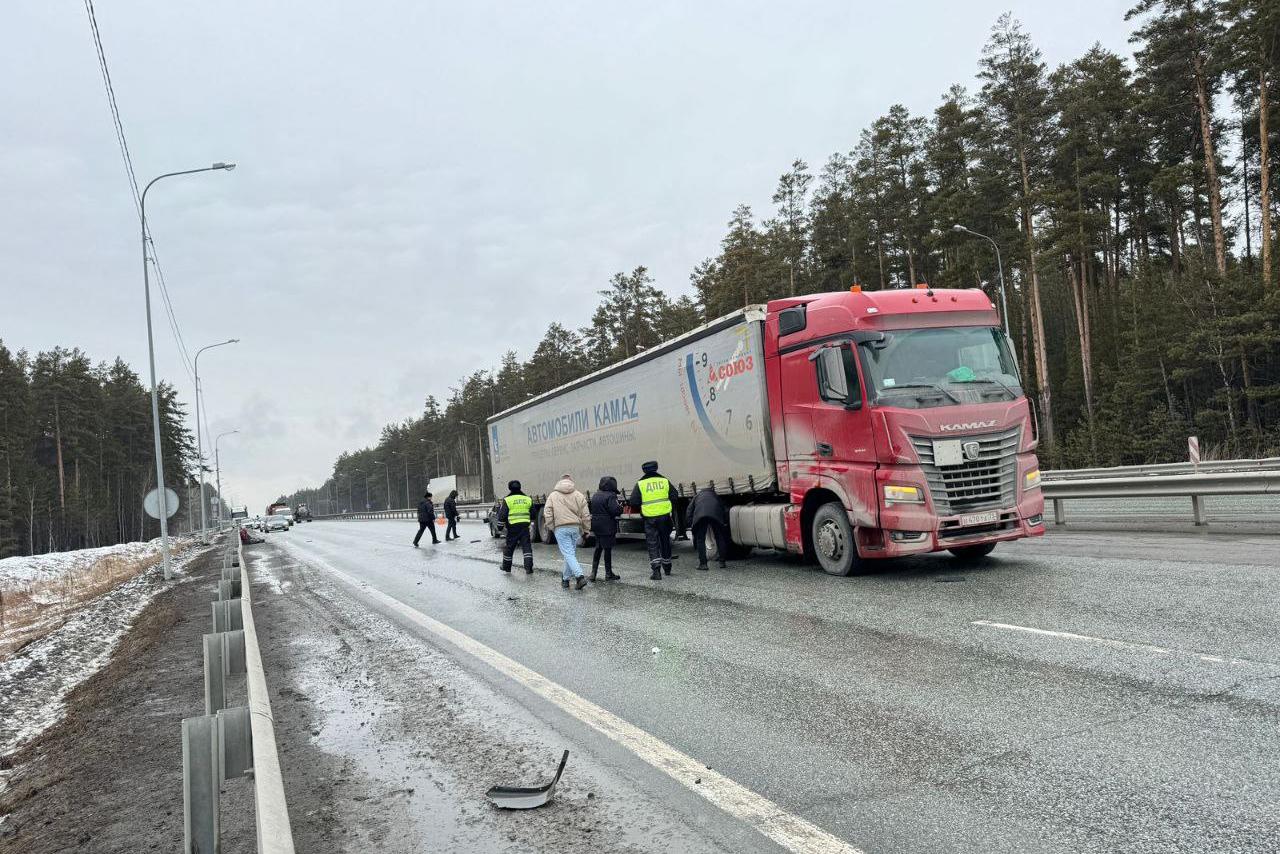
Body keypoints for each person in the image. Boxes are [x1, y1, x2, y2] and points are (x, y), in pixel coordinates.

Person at [543, 474, 591, 590]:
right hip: (575, 527)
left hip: (560, 528)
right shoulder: (579, 495)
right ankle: (565, 579)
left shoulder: (553, 495)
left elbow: (547, 512)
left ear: (560, 482)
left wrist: (552, 526)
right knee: (570, 554)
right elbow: (585, 515)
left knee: (568, 554)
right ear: (571, 482)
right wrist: (586, 529)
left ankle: (579, 577)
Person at [630, 459, 675, 580]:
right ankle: (667, 567)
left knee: (652, 543)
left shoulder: (640, 484)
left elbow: (633, 501)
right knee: (665, 541)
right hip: (665, 517)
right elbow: (674, 495)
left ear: (644, 470)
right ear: (656, 468)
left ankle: (656, 572)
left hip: (649, 518)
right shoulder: (664, 481)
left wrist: (643, 507)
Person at [588, 476, 623, 582]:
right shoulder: (611, 496)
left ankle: (593, 573)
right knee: (607, 549)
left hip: (596, 525)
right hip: (607, 525)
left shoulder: (595, 495)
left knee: (598, 548)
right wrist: (620, 508)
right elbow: (614, 510)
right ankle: (608, 574)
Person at [498, 480, 535, 574]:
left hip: (512, 528)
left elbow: (502, 514)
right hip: (524, 527)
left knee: (509, 548)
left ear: (509, 488)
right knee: (527, 547)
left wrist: (500, 526)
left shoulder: (507, 500)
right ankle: (529, 568)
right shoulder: (527, 499)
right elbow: (533, 514)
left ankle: (506, 567)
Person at [689, 487, 729, 571]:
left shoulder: (697, 496)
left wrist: (691, 524)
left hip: (700, 517)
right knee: (719, 537)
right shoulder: (715, 496)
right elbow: (724, 509)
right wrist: (724, 522)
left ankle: (703, 564)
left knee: (700, 539)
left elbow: (689, 510)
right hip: (715, 516)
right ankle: (722, 562)